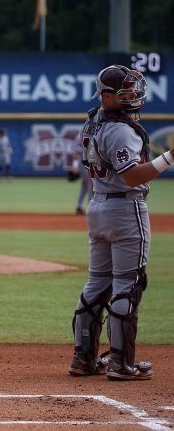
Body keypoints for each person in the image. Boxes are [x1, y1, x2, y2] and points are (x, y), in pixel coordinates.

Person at [69, 65, 174, 381]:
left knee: (97, 283)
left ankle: (83, 359)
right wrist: (169, 157)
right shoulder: (120, 130)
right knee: (129, 285)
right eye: (125, 93)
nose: (134, 97)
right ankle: (121, 364)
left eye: (134, 91)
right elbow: (130, 175)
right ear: (106, 95)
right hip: (126, 211)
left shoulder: (91, 122)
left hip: (98, 207)